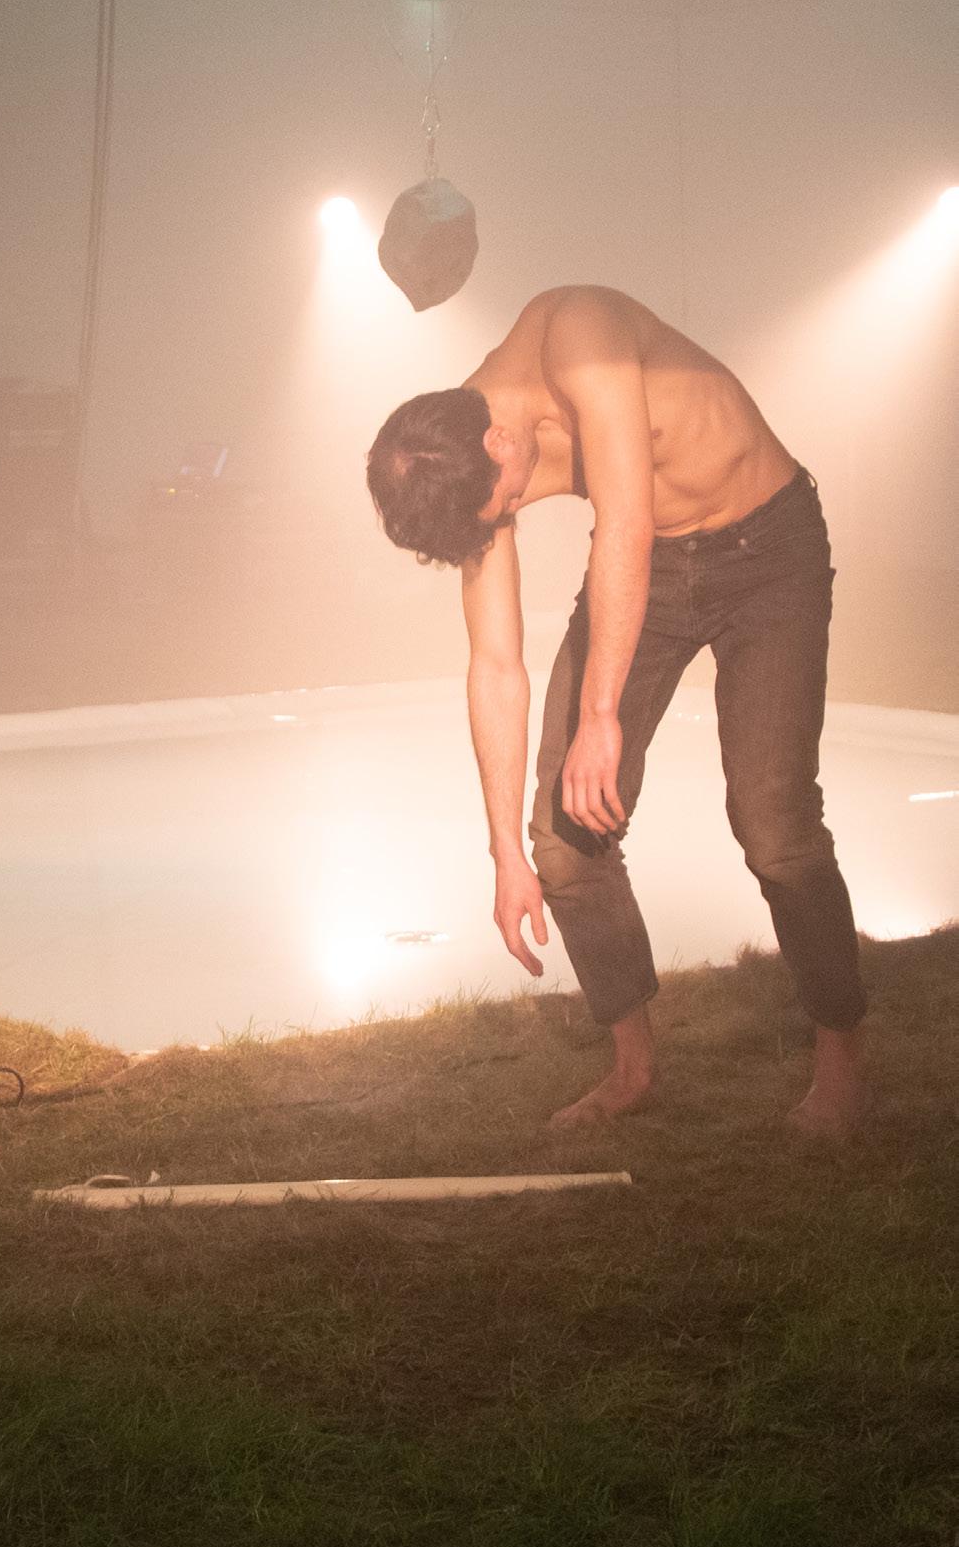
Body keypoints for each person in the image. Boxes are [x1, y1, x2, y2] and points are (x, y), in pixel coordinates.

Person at [364, 285, 866, 1139]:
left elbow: (623, 521)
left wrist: (601, 714)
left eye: (504, 505)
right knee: (559, 840)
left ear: (501, 443)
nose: (509, 515)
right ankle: (633, 1069)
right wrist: (503, 853)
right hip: (651, 573)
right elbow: (494, 665)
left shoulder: (580, 335)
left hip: (767, 549)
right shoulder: (459, 457)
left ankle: (841, 1056)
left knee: (773, 824)